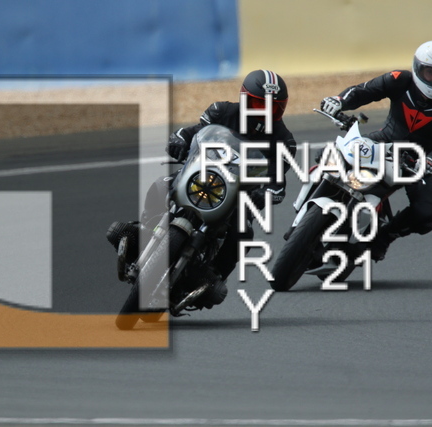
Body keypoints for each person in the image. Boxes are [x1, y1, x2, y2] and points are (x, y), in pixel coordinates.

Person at [108, 69, 298, 308]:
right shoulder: (221, 111)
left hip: (239, 195)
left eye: (273, 108)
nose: (264, 112)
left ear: (281, 109)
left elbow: (278, 179)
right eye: (259, 105)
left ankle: (212, 277)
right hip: (200, 175)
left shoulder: (285, 141)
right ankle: (146, 229)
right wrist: (178, 140)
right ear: (244, 99)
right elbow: (192, 133)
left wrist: (269, 193)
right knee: (159, 185)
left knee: (243, 233)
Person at [320, 40, 432, 261]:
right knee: (329, 154)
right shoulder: (399, 79)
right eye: (431, 72)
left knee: (424, 216)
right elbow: (363, 91)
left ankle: (383, 238)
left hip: (419, 161)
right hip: (384, 140)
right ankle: (312, 205)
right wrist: (339, 101)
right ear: (418, 68)